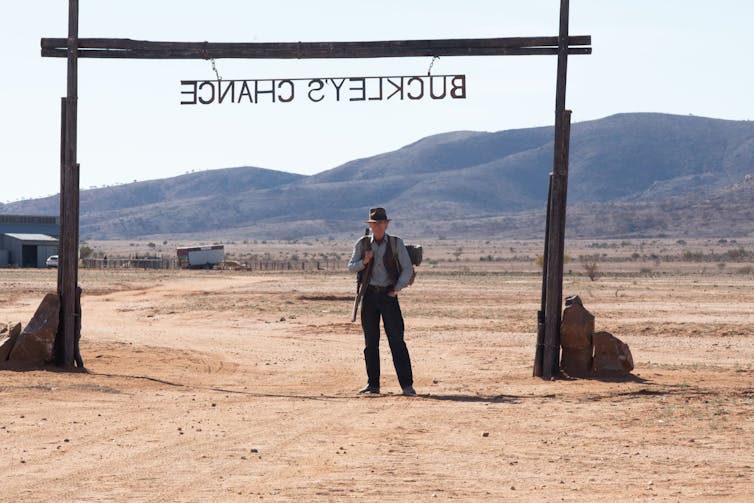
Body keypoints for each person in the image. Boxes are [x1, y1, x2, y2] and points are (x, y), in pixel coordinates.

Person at [348, 207, 416, 396]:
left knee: (397, 341)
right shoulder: (362, 244)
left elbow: (407, 268)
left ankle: (407, 386)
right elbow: (351, 267)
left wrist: (397, 288)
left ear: (386, 224)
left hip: (388, 296)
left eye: (380, 223)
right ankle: (373, 385)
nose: (377, 227)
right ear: (370, 226)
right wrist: (364, 261)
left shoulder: (396, 243)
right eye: (373, 224)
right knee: (371, 343)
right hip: (369, 296)